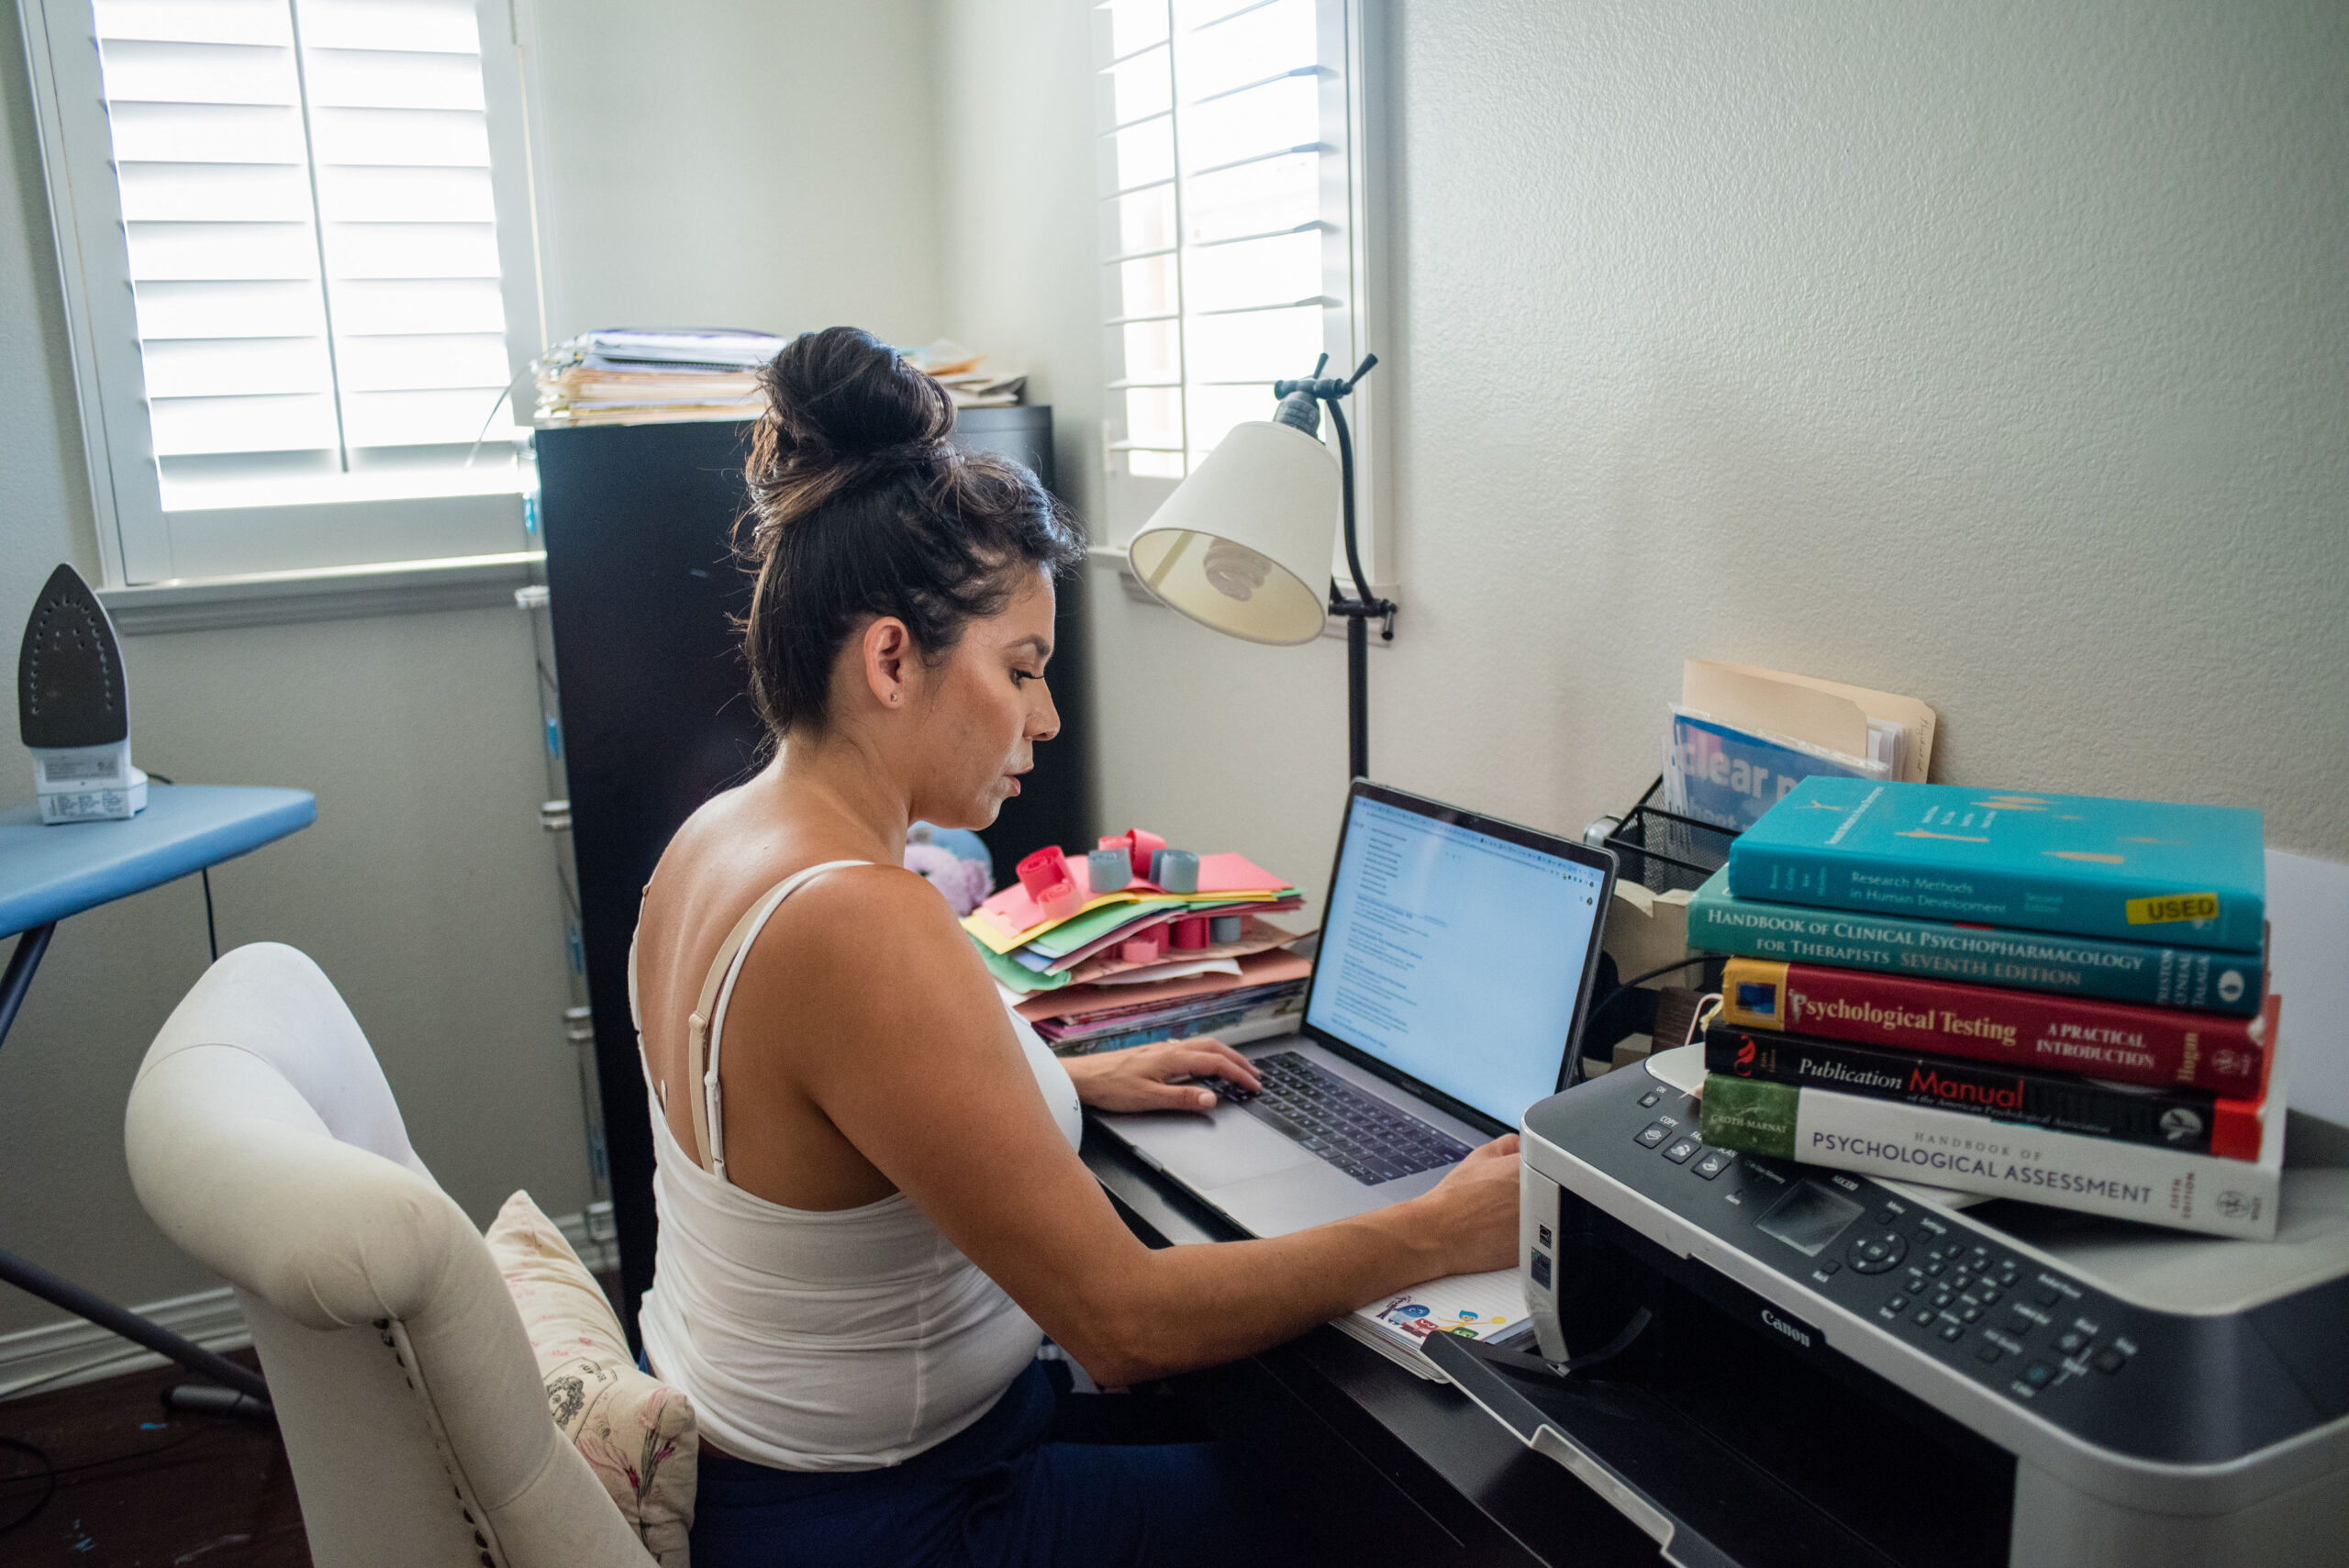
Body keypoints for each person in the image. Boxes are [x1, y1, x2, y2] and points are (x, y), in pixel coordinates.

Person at [629, 327, 1521, 1568]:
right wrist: (1446, 1225)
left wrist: (1059, 1079)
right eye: (1023, 667)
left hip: (782, 1474)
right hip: (895, 1523)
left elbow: (830, 1122)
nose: (1045, 718)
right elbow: (1124, 1322)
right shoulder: (858, 920)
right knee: (1382, 1508)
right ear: (892, 656)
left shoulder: (718, 839)